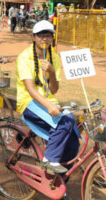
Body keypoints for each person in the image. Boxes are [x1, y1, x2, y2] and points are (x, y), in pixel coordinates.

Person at [16, 21, 79, 190]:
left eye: (48, 35)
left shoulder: (54, 58)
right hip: (29, 103)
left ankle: (59, 180)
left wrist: (51, 71)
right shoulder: (24, 57)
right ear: (33, 37)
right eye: (41, 35)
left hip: (49, 102)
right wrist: (49, 106)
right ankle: (49, 160)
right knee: (65, 122)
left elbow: (54, 89)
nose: (45, 38)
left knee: (73, 139)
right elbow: (30, 89)